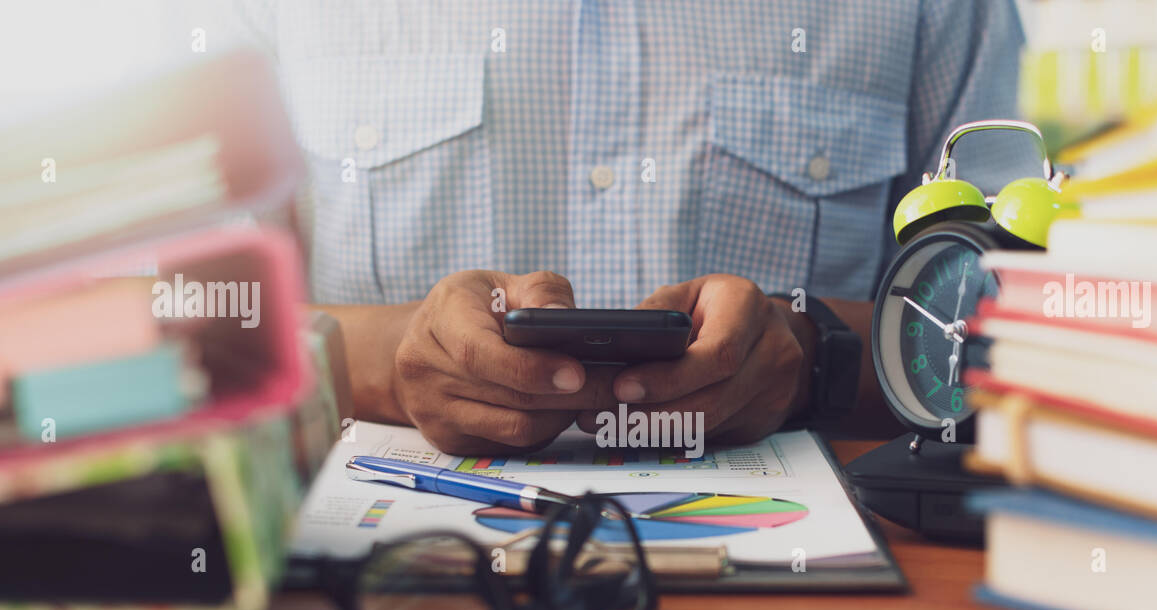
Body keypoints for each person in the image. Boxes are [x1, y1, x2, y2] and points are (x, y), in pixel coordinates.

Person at [220, 0, 1024, 453]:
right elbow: (176, 333)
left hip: (809, 602)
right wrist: (383, 366)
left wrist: (815, 358)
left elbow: (1026, 345)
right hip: (392, 591)